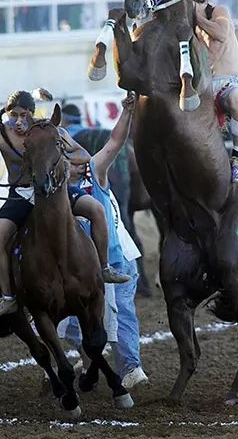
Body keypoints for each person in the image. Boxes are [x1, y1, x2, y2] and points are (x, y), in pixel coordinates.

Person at [0, 90, 129, 319]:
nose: (18, 121)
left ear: (32, 113)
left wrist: (59, 156)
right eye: (13, 115)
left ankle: (104, 268)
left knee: (96, 209)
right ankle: (7, 297)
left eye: (23, 115)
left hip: (55, 192)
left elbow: (83, 154)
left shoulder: (49, 130)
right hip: (20, 195)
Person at [66, 92, 149, 389]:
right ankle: (89, 361)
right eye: (71, 160)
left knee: (122, 310)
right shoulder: (57, 190)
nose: (78, 163)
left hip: (118, 256)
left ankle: (131, 368)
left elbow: (114, 142)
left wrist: (126, 112)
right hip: (82, 264)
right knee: (79, 317)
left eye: (80, 158)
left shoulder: (95, 171)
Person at [191, 0, 238, 183]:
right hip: (205, 87)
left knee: (235, 100)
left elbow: (221, 35)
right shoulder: (192, 25)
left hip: (228, 81)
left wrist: (197, 16)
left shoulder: (219, 12)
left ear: (203, 1)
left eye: (194, 2)